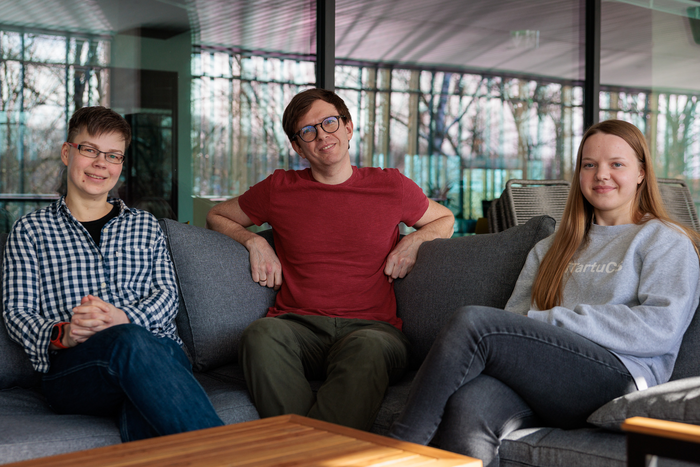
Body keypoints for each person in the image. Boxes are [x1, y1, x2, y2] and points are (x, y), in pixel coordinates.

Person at [388, 119, 700, 466]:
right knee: (470, 402)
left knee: (473, 321)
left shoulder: (665, 240)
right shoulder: (551, 247)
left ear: (641, 173)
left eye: (617, 164)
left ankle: (390, 453)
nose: (601, 175)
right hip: (552, 382)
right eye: (589, 164)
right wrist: (544, 327)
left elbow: (661, 327)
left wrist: (554, 321)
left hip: (620, 377)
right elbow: (520, 320)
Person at [206, 88, 455, 431]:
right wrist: (254, 242)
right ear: (298, 146)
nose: (322, 135)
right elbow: (217, 216)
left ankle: (301, 451)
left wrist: (416, 240)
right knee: (259, 335)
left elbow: (445, 219)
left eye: (329, 122)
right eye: (308, 131)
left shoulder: (391, 185)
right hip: (298, 327)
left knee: (368, 348)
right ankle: (320, 450)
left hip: (373, 332)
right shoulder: (279, 188)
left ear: (348, 127)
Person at [2, 106, 224, 442]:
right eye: (89, 150)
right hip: (76, 368)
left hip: (160, 352)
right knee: (129, 341)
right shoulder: (30, 230)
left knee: (141, 393)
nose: (100, 164)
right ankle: (231, 456)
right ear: (67, 152)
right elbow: (17, 312)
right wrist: (65, 332)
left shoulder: (146, 226)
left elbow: (167, 296)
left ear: (120, 164)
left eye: (113, 156)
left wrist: (122, 316)